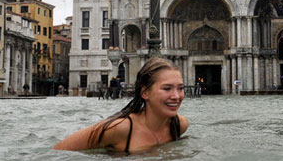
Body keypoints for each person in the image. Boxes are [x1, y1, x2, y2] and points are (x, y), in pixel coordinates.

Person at [54, 58, 189, 153]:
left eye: (180, 88)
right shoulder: (120, 128)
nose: (176, 96)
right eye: (167, 88)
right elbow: (59, 151)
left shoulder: (179, 125)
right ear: (145, 93)